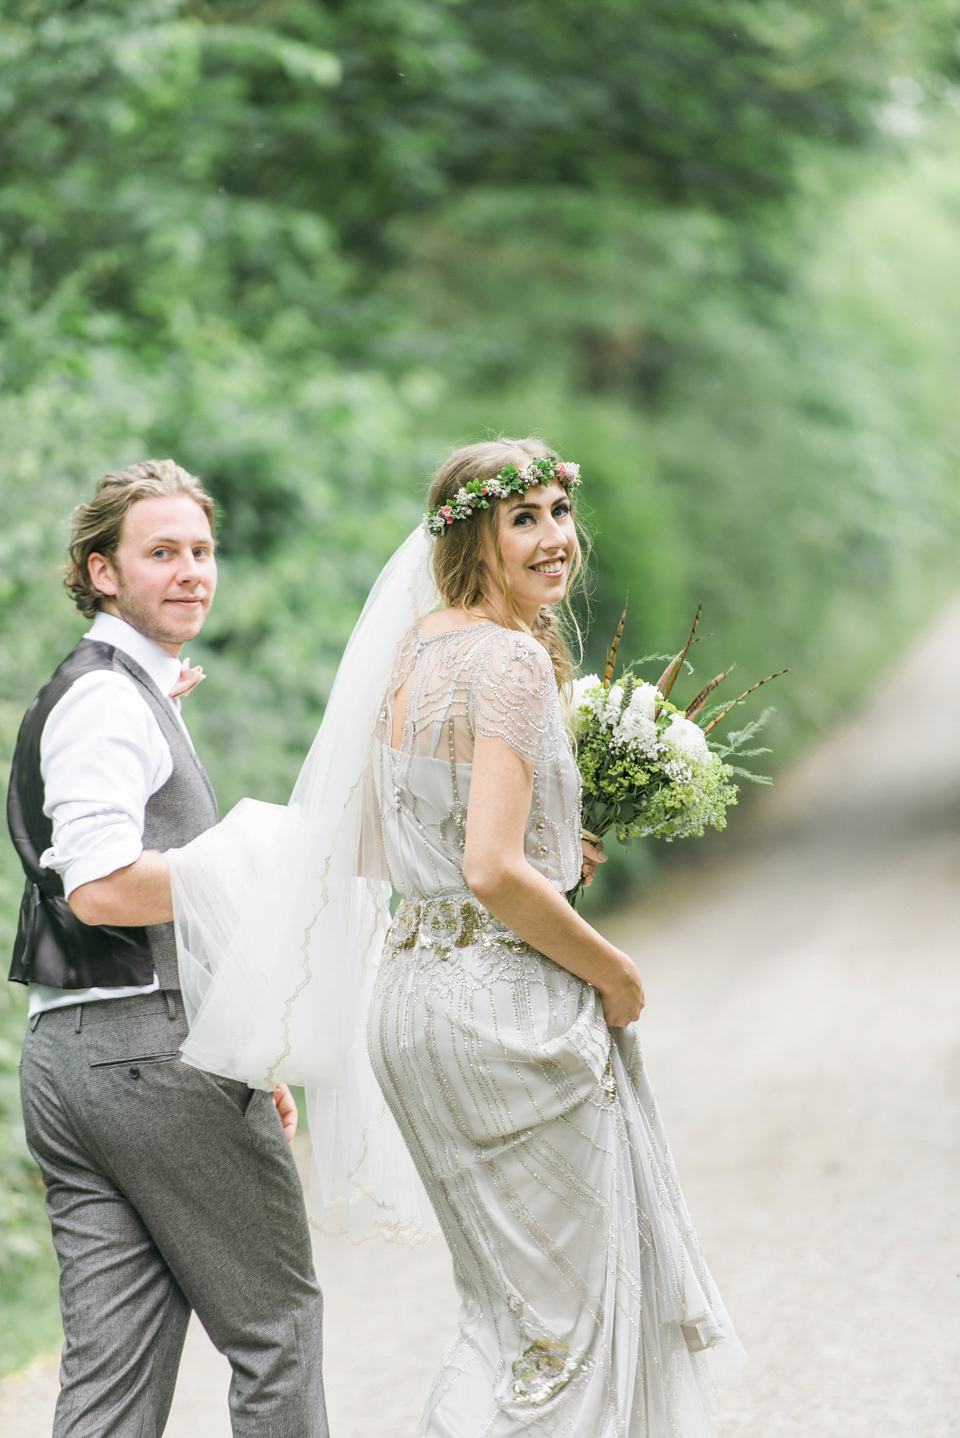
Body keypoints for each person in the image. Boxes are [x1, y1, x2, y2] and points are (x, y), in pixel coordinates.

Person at [168, 438, 744, 1437]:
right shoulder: (512, 659)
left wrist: (542, 851)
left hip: (413, 1004)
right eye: (524, 519)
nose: (555, 538)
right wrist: (612, 968)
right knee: (569, 1326)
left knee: (505, 1315)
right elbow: (490, 872)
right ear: (471, 534)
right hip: (504, 1011)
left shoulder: (419, 647)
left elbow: (376, 840)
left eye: (560, 512)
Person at [7, 460, 328, 1438]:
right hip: (152, 1049)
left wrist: (250, 1033)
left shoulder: (116, 688)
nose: (192, 570)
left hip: (71, 1062)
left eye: (201, 550)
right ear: (101, 572)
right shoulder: (107, 700)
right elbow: (101, 887)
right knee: (278, 1329)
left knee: (112, 1383)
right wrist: (255, 866)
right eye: (162, 552)